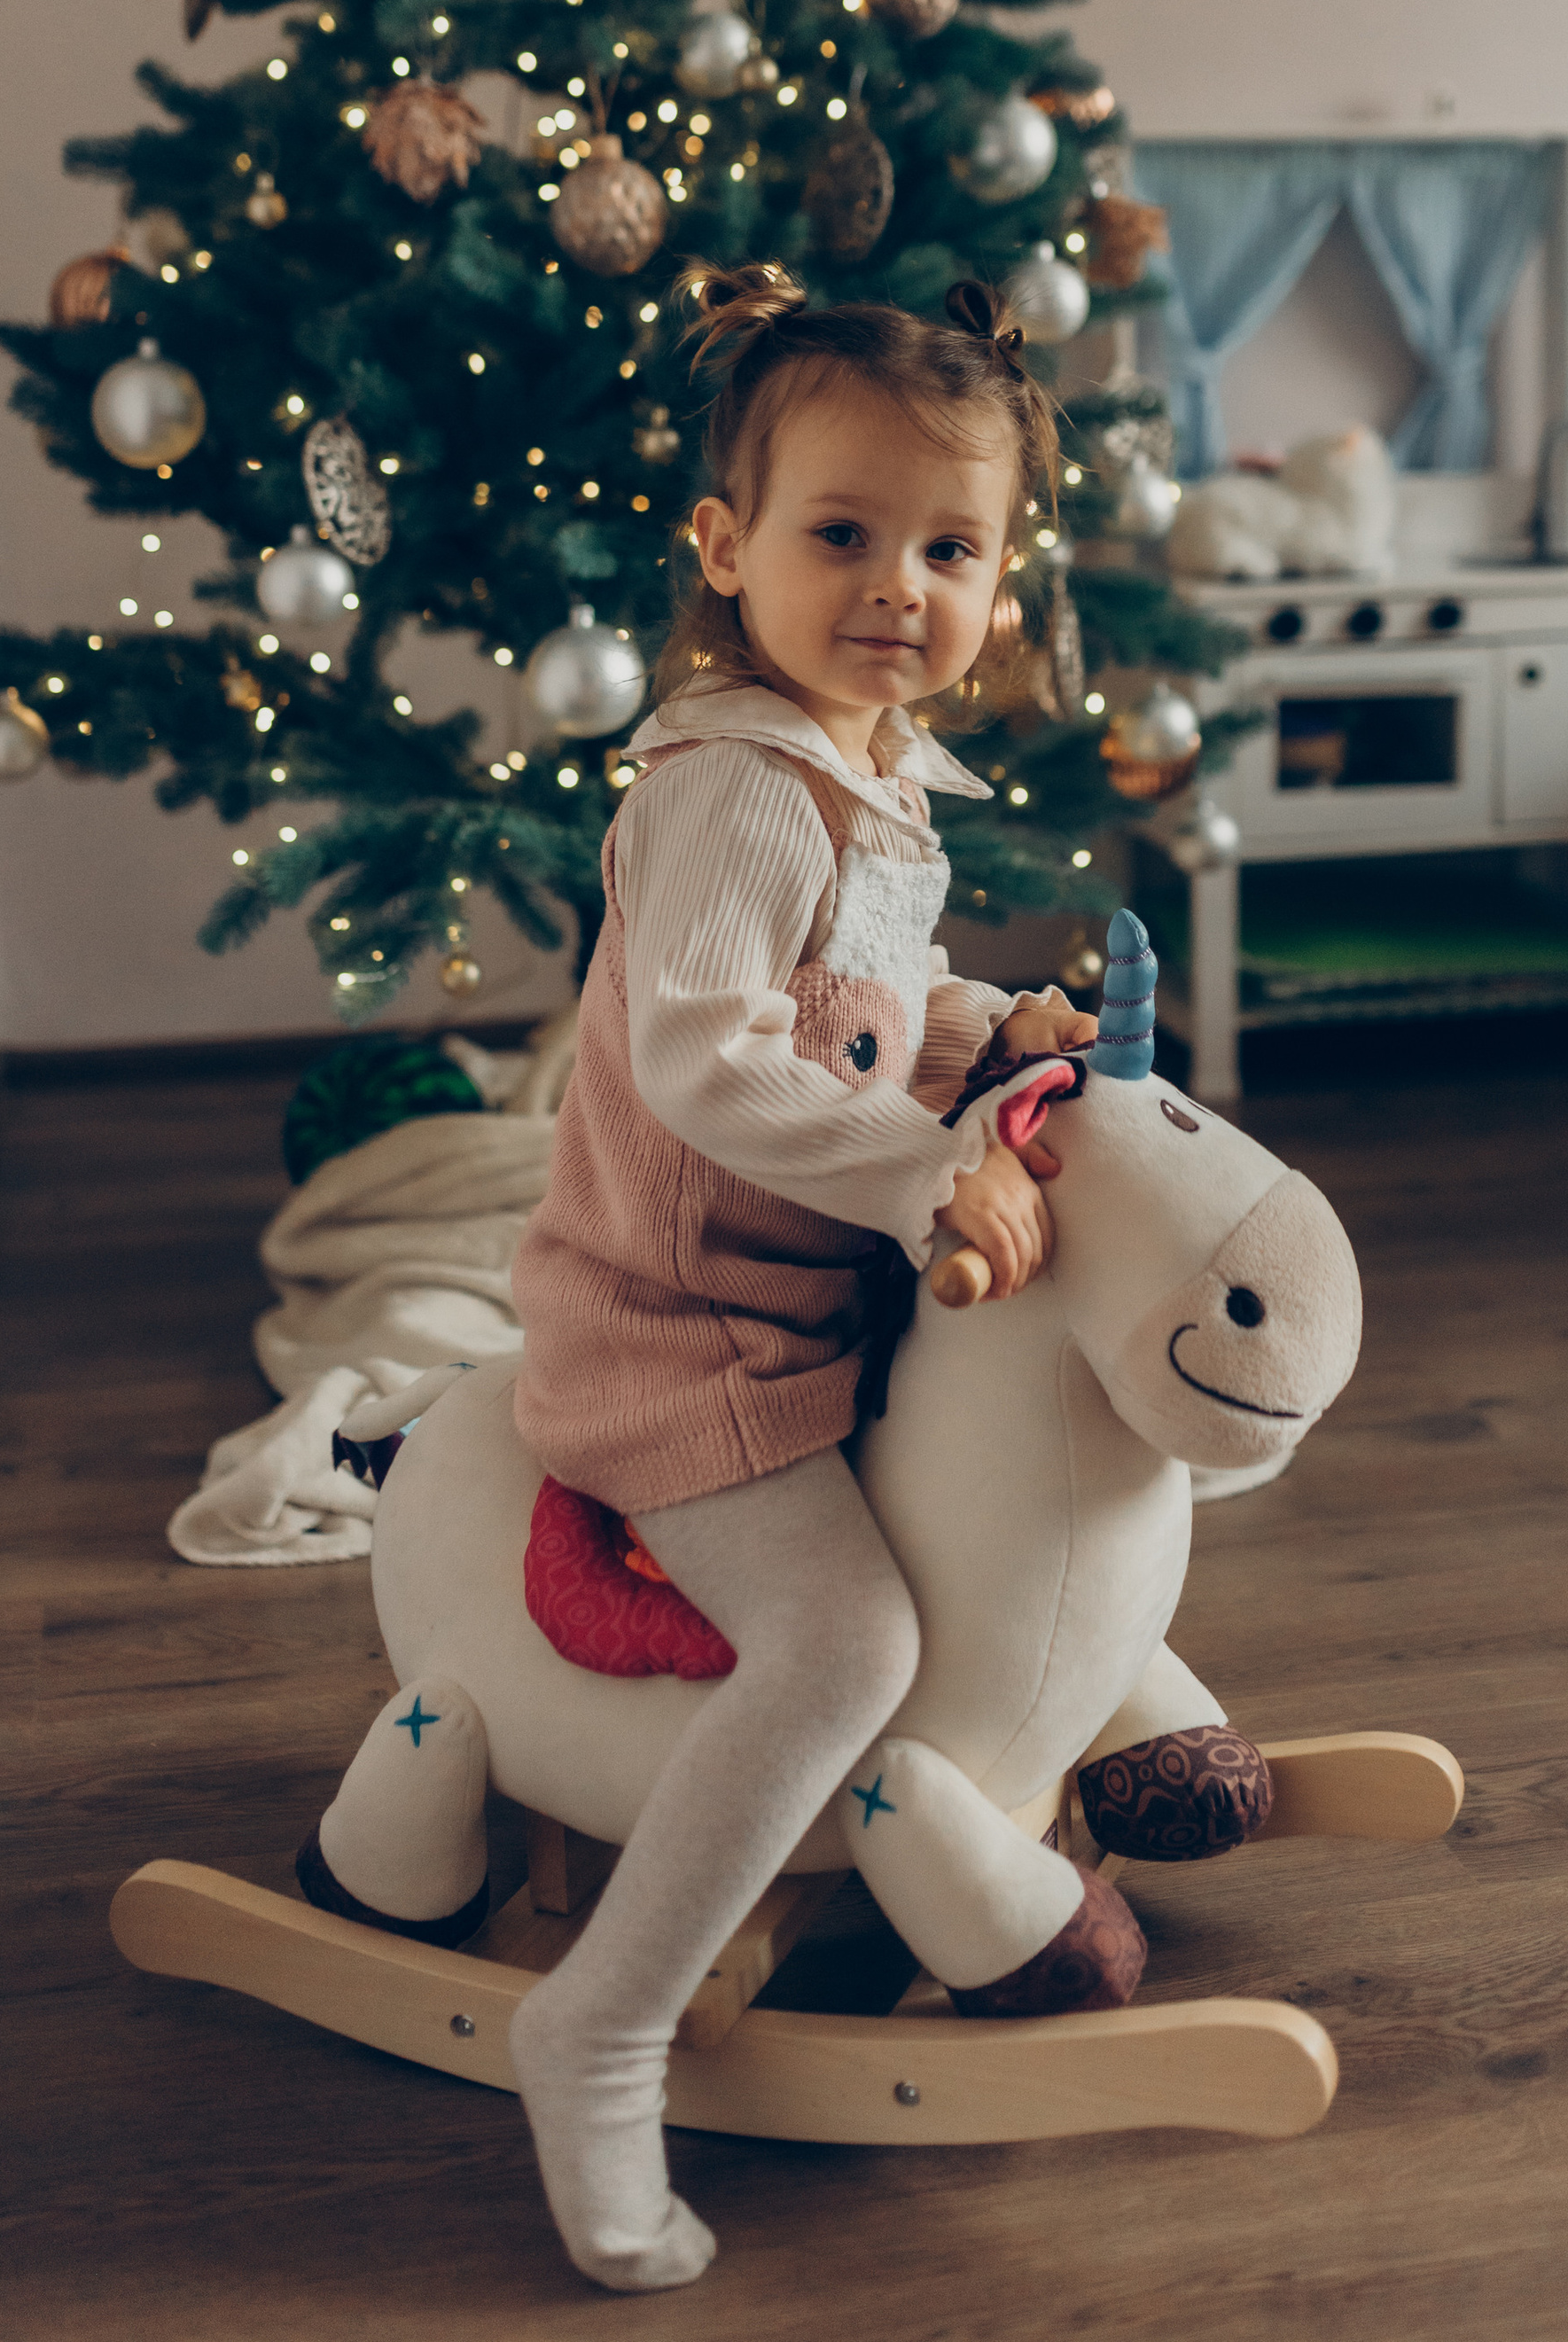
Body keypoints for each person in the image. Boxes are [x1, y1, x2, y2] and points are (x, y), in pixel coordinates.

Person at [507, 262, 1096, 2290]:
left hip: (804, 1300)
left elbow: (854, 1000)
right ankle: (601, 2026)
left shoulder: (875, 771)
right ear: (723, 547)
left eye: (949, 545)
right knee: (844, 1641)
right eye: (838, 534)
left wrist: (974, 1029)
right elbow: (710, 1056)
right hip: (676, 1333)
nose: (893, 587)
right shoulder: (736, 788)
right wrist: (934, 1159)